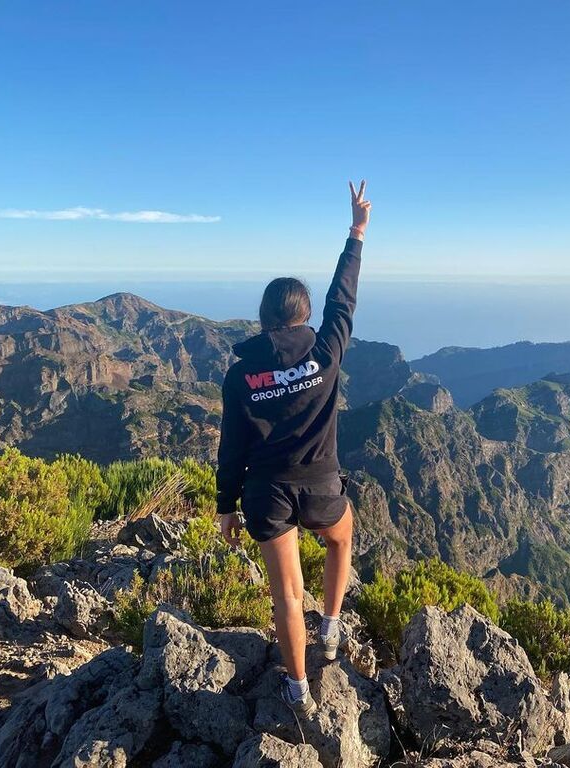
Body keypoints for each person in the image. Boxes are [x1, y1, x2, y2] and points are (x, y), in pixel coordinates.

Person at [215, 181, 372, 720]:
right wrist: (356, 233)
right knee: (341, 538)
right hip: (322, 484)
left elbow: (231, 447)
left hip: (266, 493)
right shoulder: (325, 350)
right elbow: (343, 300)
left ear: (263, 318)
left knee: (286, 593)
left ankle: (298, 690)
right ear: (304, 316)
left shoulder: (241, 375)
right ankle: (330, 626)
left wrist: (224, 506)